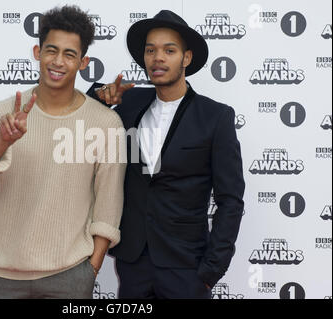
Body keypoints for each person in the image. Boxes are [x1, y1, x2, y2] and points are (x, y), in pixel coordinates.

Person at [0, 5, 126, 299]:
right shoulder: (4, 113)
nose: (58, 61)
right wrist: (3, 141)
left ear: (83, 62)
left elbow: (108, 206)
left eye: (69, 54)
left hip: (70, 276)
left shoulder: (105, 123)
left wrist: (91, 268)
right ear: (37, 52)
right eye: (51, 50)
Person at [88, 10, 245, 299]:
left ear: (186, 58)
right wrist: (98, 95)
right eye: (151, 50)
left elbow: (230, 201)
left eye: (169, 50)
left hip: (187, 267)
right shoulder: (129, 104)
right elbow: (80, 115)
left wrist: (211, 271)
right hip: (133, 264)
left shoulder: (215, 116)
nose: (157, 58)